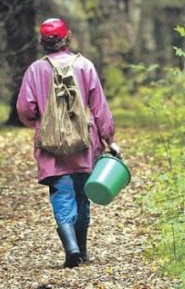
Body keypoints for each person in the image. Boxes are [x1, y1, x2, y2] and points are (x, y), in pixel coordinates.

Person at [16, 17, 121, 268]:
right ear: (68, 36)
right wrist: (110, 139)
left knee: (61, 194)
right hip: (85, 144)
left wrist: (40, 122)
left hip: (51, 148)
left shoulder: (36, 70)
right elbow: (99, 108)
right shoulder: (85, 66)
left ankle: (71, 248)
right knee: (83, 195)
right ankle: (82, 249)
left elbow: (25, 108)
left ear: (43, 43)